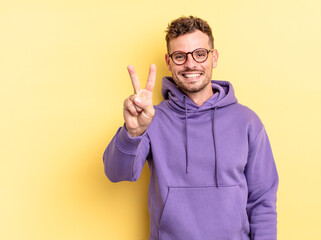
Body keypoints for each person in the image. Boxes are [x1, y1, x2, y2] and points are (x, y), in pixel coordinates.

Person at [103, 16, 279, 240]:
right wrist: (133, 133)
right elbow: (116, 174)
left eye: (199, 54)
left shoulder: (247, 121)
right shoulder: (151, 119)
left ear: (213, 57)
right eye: (180, 56)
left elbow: (263, 201)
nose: (191, 64)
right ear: (169, 61)